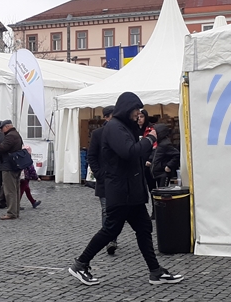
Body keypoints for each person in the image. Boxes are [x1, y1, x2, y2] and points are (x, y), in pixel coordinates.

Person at [68, 92, 184, 287]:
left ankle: (155, 271)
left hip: (132, 192)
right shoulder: (114, 128)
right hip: (121, 191)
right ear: (127, 109)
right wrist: (150, 139)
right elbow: (129, 153)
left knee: (144, 228)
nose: (138, 115)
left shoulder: (124, 128)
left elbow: (134, 154)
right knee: (110, 229)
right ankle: (80, 264)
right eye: (136, 111)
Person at [86, 106, 118, 255]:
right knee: (106, 210)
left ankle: (113, 236)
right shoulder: (98, 134)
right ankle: (110, 240)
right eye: (113, 116)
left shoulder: (121, 132)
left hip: (119, 179)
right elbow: (91, 156)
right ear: (106, 117)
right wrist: (99, 174)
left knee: (119, 210)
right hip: (104, 179)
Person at [0, 120, 23, 220]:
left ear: (7, 127)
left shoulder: (10, 136)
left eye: (2, 128)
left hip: (8, 166)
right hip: (15, 165)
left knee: (9, 190)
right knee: (15, 190)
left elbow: (3, 148)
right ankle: (15, 211)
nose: (1, 130)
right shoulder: (16, 134)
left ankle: (11, 212)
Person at [150, 123, 180, 188]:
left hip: (163, 173)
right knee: (160, 192)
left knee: (163, 192)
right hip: (158, 173)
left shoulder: (165, 144)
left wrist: (169, 166)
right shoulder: (160, 143)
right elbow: (157, 155)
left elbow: (176, 154)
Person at [19, 145, 42, 209]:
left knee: (27, 190)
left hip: (20, 176)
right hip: (25, 177)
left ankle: (33, 202)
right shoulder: (28, 160)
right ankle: (16, 204)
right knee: (21, 191)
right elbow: (32, 170)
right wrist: (37, 177)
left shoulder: (20, 158)